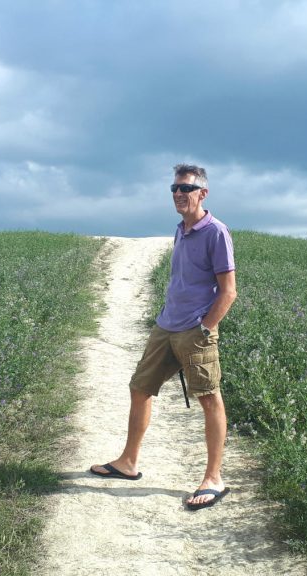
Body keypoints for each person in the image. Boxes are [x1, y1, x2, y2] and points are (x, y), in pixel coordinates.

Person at [90, 164, 237, 511]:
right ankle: (128, 462)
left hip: (195, 331)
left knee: (209, 398)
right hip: (166, 326)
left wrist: (204, 328)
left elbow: (228, 291)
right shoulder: (180, 230)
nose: (178, 194)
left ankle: (214, 478)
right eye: (173, 188)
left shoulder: (216, 232)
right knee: (140, 388)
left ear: (203, 193)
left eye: (185, 188)